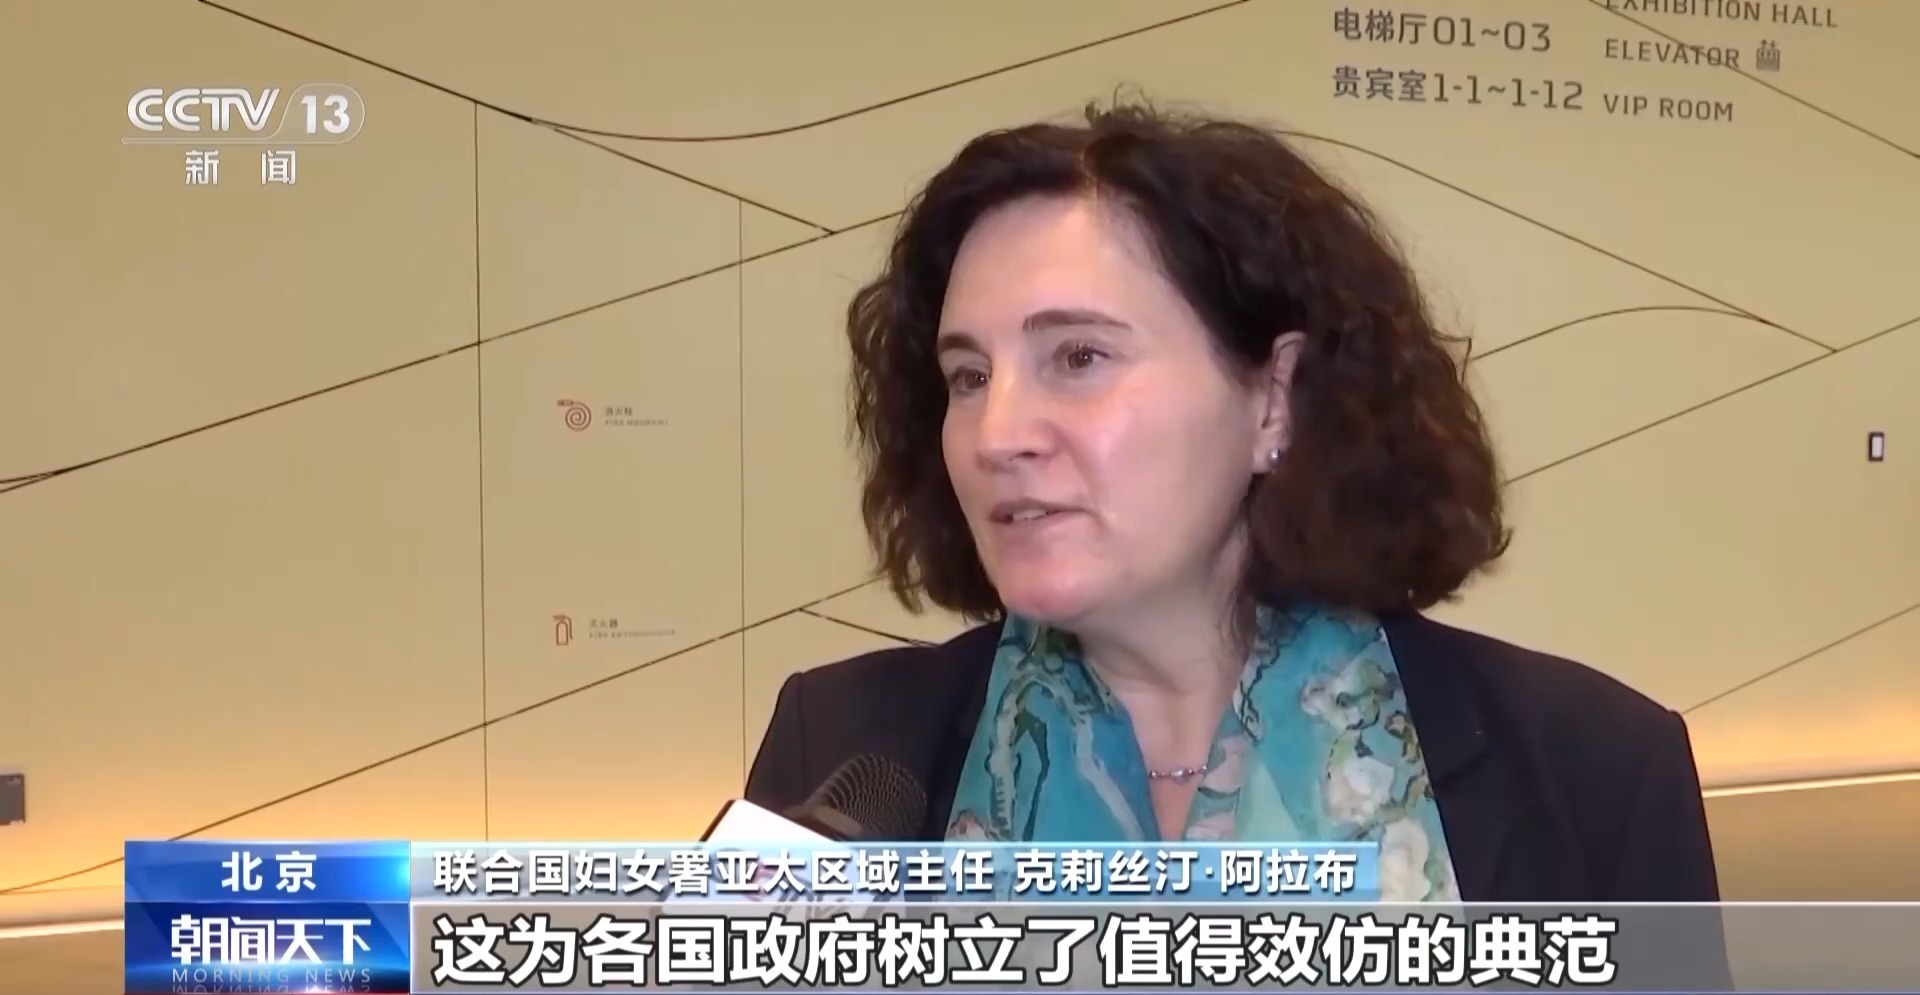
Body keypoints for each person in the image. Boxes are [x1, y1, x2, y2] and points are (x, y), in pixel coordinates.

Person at [745, 101, 1722, 905]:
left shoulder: (1592, 770)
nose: (997, 434)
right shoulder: (842, 750)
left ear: (1273, 397)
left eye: (1078, 356)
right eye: (968, 376)